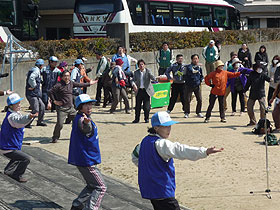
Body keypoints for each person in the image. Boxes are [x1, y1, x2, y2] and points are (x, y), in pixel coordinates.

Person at [132, 111, 223, 210]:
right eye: (166, 126)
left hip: (150, 189)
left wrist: (149, 169)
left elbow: (135, 157)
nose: (169, 129)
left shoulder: (143, 142)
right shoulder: (162, 144)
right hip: (163, 189)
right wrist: (205, 151)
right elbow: (181, 150)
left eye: (170, 126)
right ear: (156, 128)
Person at [68, 94, 107, 210]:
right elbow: (86, 128)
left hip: (83, 157)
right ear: (80, 107)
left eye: (90, 104)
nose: (90, 107)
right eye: (86, 105)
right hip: (86, 159)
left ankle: (78, 204)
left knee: (92, 185)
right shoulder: (81, 119)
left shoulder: (81, 117)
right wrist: (86, 123)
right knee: (101, 187)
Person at [48, 70, 97, 143]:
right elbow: (50, 91)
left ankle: (77, 135)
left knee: (78, 121)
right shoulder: (59, 85)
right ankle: (55, 137)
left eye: (68, 76)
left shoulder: (71, 83)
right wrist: (54, 101)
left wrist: (89, 84)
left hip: (71, 108)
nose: (67, 77)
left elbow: (80, 85)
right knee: (60, 124)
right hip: (62, 108)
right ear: (62, 77)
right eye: (65, 76)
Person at [0, 93, 37, 182]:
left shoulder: (14, 113)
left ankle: (8, 170)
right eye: (17, 104)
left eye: (19, 103)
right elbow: (19, 121)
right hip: (8, 146)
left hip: (10, 145)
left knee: (17, 156)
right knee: (26, 158)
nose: (19, 105)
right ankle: (17, 174)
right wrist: (29, 116)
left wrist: (29, 117)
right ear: (11, 106)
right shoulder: (12, 116)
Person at [132, 59, 156, 123]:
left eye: (142, 64)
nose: (141, 66)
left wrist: (153, 77)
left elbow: (153, 77)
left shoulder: (148, 71)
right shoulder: (136, 72)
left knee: (147, 107)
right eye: (140, 65)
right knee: (137, 106)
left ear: (144, 65)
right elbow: (133, 80)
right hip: (139, 90)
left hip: (146, 90)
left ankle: (146, 118)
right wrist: (134, 84)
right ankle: (137, 119)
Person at [25, 59, 46, 127]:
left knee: (42, 107)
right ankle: (27, 123)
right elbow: (31, 78)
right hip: (32, 94)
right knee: (35, 109)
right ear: (41, 65)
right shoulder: (36, 71)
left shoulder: (33, 70)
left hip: (36, 94)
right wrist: (33, 86)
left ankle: (40, 121)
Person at [184, 54, 204, 118]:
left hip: (197, 85)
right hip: (189, 85)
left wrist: (200, 80)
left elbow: (201, 75)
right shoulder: (188, 67)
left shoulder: (199, 67)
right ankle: (187, 112)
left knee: (199, 99)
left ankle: (198, 112)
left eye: (197, 59)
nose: (196, 60)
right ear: (192, 60)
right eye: (194, 59)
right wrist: (197, 67)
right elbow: (192, 71)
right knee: (187, 99)